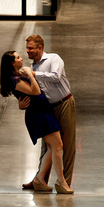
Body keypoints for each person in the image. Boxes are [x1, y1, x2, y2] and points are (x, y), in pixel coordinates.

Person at [0, 50, 74, 194]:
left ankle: (40, 179)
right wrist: (30, 75)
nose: (22, 58)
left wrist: (27, 74)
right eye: (18, 57)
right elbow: (35, 91)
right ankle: (61, 182)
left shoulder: (17, 76)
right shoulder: (14, 79)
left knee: (54, 147)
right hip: (39, 114)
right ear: (12, 63)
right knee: (57, 146)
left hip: (43, 111)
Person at [20, 34, 76, 189]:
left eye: (31, 48)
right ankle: (40, 179)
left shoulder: (53, 59)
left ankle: (65, 182)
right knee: (48, 146)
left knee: (68, 145)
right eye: (27, 48)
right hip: (49, 108)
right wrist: (21, 103)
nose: (28, 51)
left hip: (64, 103)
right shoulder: (32, 68)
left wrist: (34, 75)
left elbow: (56, 76)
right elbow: (32, 91)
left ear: (40, 47)